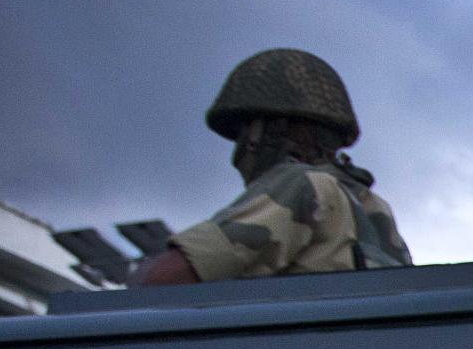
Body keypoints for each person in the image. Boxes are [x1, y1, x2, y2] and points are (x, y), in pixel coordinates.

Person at [133, 48, 412, 286]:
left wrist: (139, 273)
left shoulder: (304, 184)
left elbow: (163, 280)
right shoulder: (371, 207)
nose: (238, 152)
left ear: (271, 131)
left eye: (244, 133)